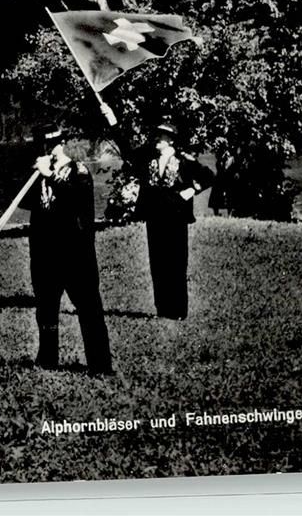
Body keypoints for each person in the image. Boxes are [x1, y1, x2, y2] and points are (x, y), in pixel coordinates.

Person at [101, 103, 214, 320]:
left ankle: (178, 311)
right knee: (158, 264)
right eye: (158, 135)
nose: (157, 139)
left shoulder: (185, 161)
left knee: (176, 263)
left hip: (176, 218)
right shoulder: (147, 158)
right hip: (154, 217)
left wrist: (192, 190)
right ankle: (163, 310)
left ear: (171, 139)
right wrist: (112, 120)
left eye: (162, 136)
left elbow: (209, 177)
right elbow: (127, 151)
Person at [18, 123, 113, 375]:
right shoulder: (41, 172)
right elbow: (25, 202)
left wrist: (49, 175)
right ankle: (47, 360)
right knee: (46, 308)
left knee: (88, 307)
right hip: (44, 252)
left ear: (61, 144)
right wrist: (33, 174)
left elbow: (74, 200)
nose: (46, 149)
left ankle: (100, 365)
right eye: (42, 145)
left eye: (51, 144)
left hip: (74, 253)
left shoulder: (78, 170)